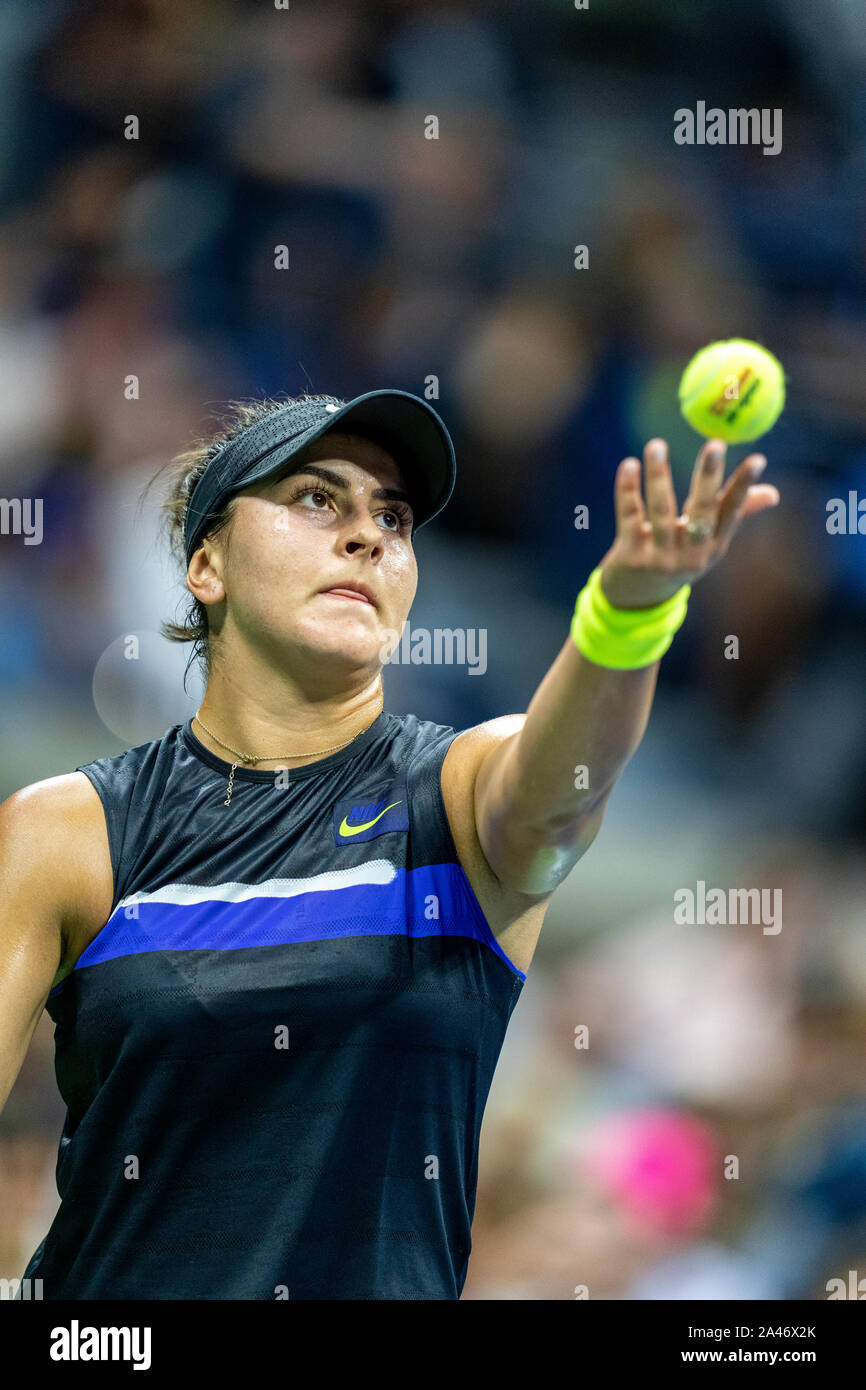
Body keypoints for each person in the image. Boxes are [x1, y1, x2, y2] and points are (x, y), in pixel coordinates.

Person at [0, 389, 779, 1299]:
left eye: (394, 517)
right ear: (206, 564)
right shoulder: (68, 831)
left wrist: (628, 613)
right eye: (317, 499)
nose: (368, 535)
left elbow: (561, 789)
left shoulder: (456, 798)